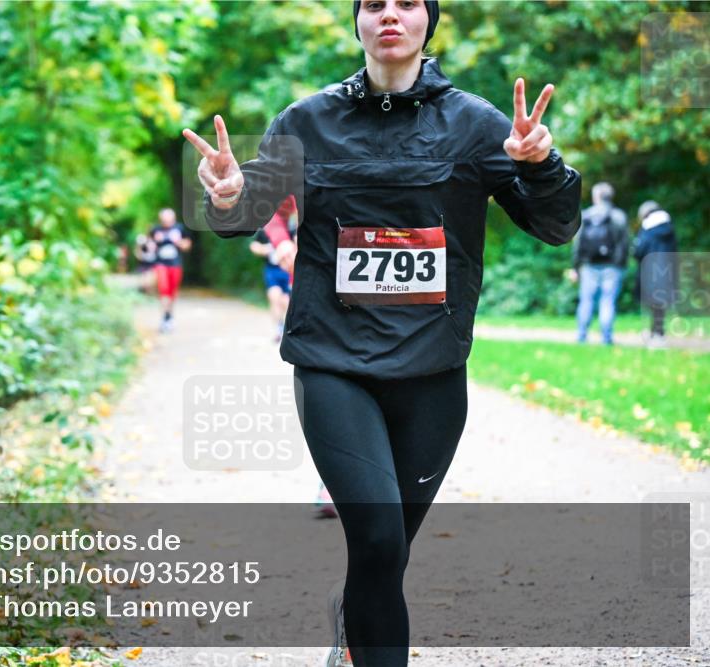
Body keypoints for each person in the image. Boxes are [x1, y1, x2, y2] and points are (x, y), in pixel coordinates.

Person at [182, 1, 582, 666]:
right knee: (375, 541)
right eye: (373, 4)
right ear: (358, 22)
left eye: (405, 3)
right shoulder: (306, 122)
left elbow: (555, 225)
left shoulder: (477, 124)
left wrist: (540, 163)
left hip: (431, 371)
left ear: (430, 21)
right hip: (333, 361)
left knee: (386, 550)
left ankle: (352, 625)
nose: (389, 14)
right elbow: (243, 212)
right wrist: (226, 193)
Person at [569, 182, 630, 345]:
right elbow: (624, 245)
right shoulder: (619, 216)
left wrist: (575, 267)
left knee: (586, 300)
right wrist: (621, 265)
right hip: (612, 266)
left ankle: (581, 336)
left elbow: (578, 244)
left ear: (596, 197)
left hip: (588, 266)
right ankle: (606, 338)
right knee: (608, 301)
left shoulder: (586, 215)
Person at [250, 194, 298, 342]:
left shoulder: (291, 229)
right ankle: (277, 328)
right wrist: (267, 249)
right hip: (272, 271)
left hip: (288, 271)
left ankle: (285, 326)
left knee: (285, 301)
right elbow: (254, 246)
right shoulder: (266, 229)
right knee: (274, 296)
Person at [633, 200, 678, 348]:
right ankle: (657, 332)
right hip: (667, 269)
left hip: (650, 269)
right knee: (660, 304)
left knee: (653, 304)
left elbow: (639, 251)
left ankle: (656, 334)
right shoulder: (669, 228)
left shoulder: (647, 230)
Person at [148, 208, 192, 333]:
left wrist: (178, 242)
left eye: (169, 219)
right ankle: (164, 318)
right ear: (161, 219)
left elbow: (187, 246)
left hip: (175, 264)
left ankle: (169, 316)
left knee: (172, 293)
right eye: (164, 219)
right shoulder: (156, 230)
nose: (167, 222)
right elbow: (149, 245)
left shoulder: (180, 229)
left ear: (173, 218)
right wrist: (155, 242)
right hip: (160, 264)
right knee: (163, 290)